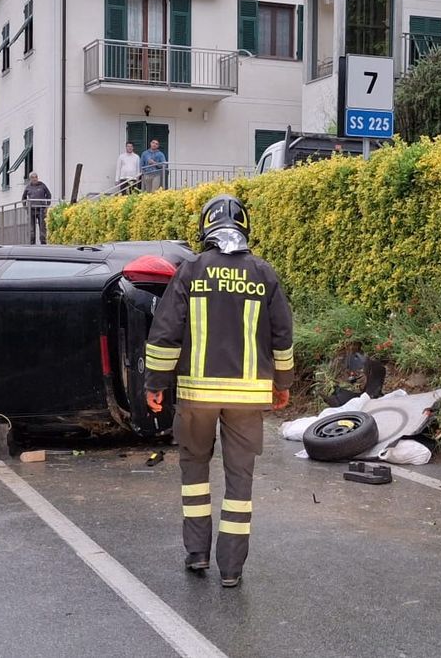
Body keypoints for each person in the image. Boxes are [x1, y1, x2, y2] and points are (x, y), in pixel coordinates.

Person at [144, 194, 293, 588]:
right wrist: (283, 385)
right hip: (247, 400)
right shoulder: (263, 273)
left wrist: (155, 384)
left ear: (205, 227)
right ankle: (232, 569)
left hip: (196, 396)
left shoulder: (191, 270)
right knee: (239, 481)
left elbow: (164, 333)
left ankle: (196, 554)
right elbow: (282, 336)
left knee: (194, 471)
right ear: (245, 228)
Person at [21, 172, 52, 244]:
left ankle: (43, 243)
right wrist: (25, 206)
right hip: (31, 210)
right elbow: (24, 197)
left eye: (36, 177)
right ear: (30, 179)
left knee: (42, 227)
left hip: (41, 209)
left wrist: (47, 206)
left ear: (37, 178)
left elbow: (49, 195)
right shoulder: (28, 187)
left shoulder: (42, 185)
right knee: (31, 229)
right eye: (32, 177)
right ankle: (32, 243)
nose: (34, 179)